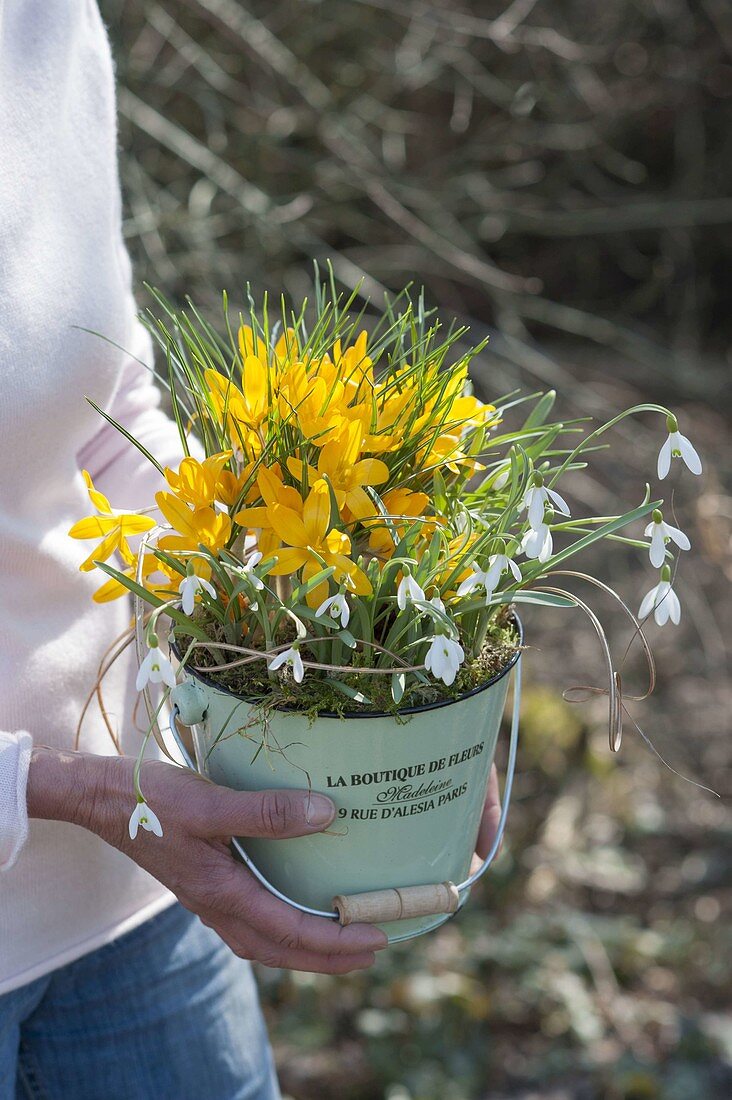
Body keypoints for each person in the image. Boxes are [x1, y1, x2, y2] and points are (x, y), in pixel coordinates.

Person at [0, 4, 501, 1097]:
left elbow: (107, 402)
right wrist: (62, 786)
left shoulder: (35, 22)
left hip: (134, 876)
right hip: (121, 817)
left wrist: (388, 648)